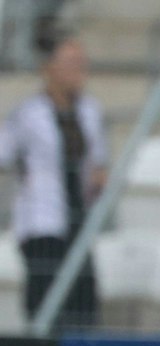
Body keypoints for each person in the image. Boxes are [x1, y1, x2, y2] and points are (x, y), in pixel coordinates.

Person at [0, 34, 104, 331]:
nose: (78, 71)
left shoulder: (89, 111)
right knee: (45, 291)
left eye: (81, 63)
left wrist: (99, 178)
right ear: (49, 68)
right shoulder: (28, 114)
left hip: (78, 216)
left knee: (83, 297)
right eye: (70, 63)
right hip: (43, 218)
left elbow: (98, 160)